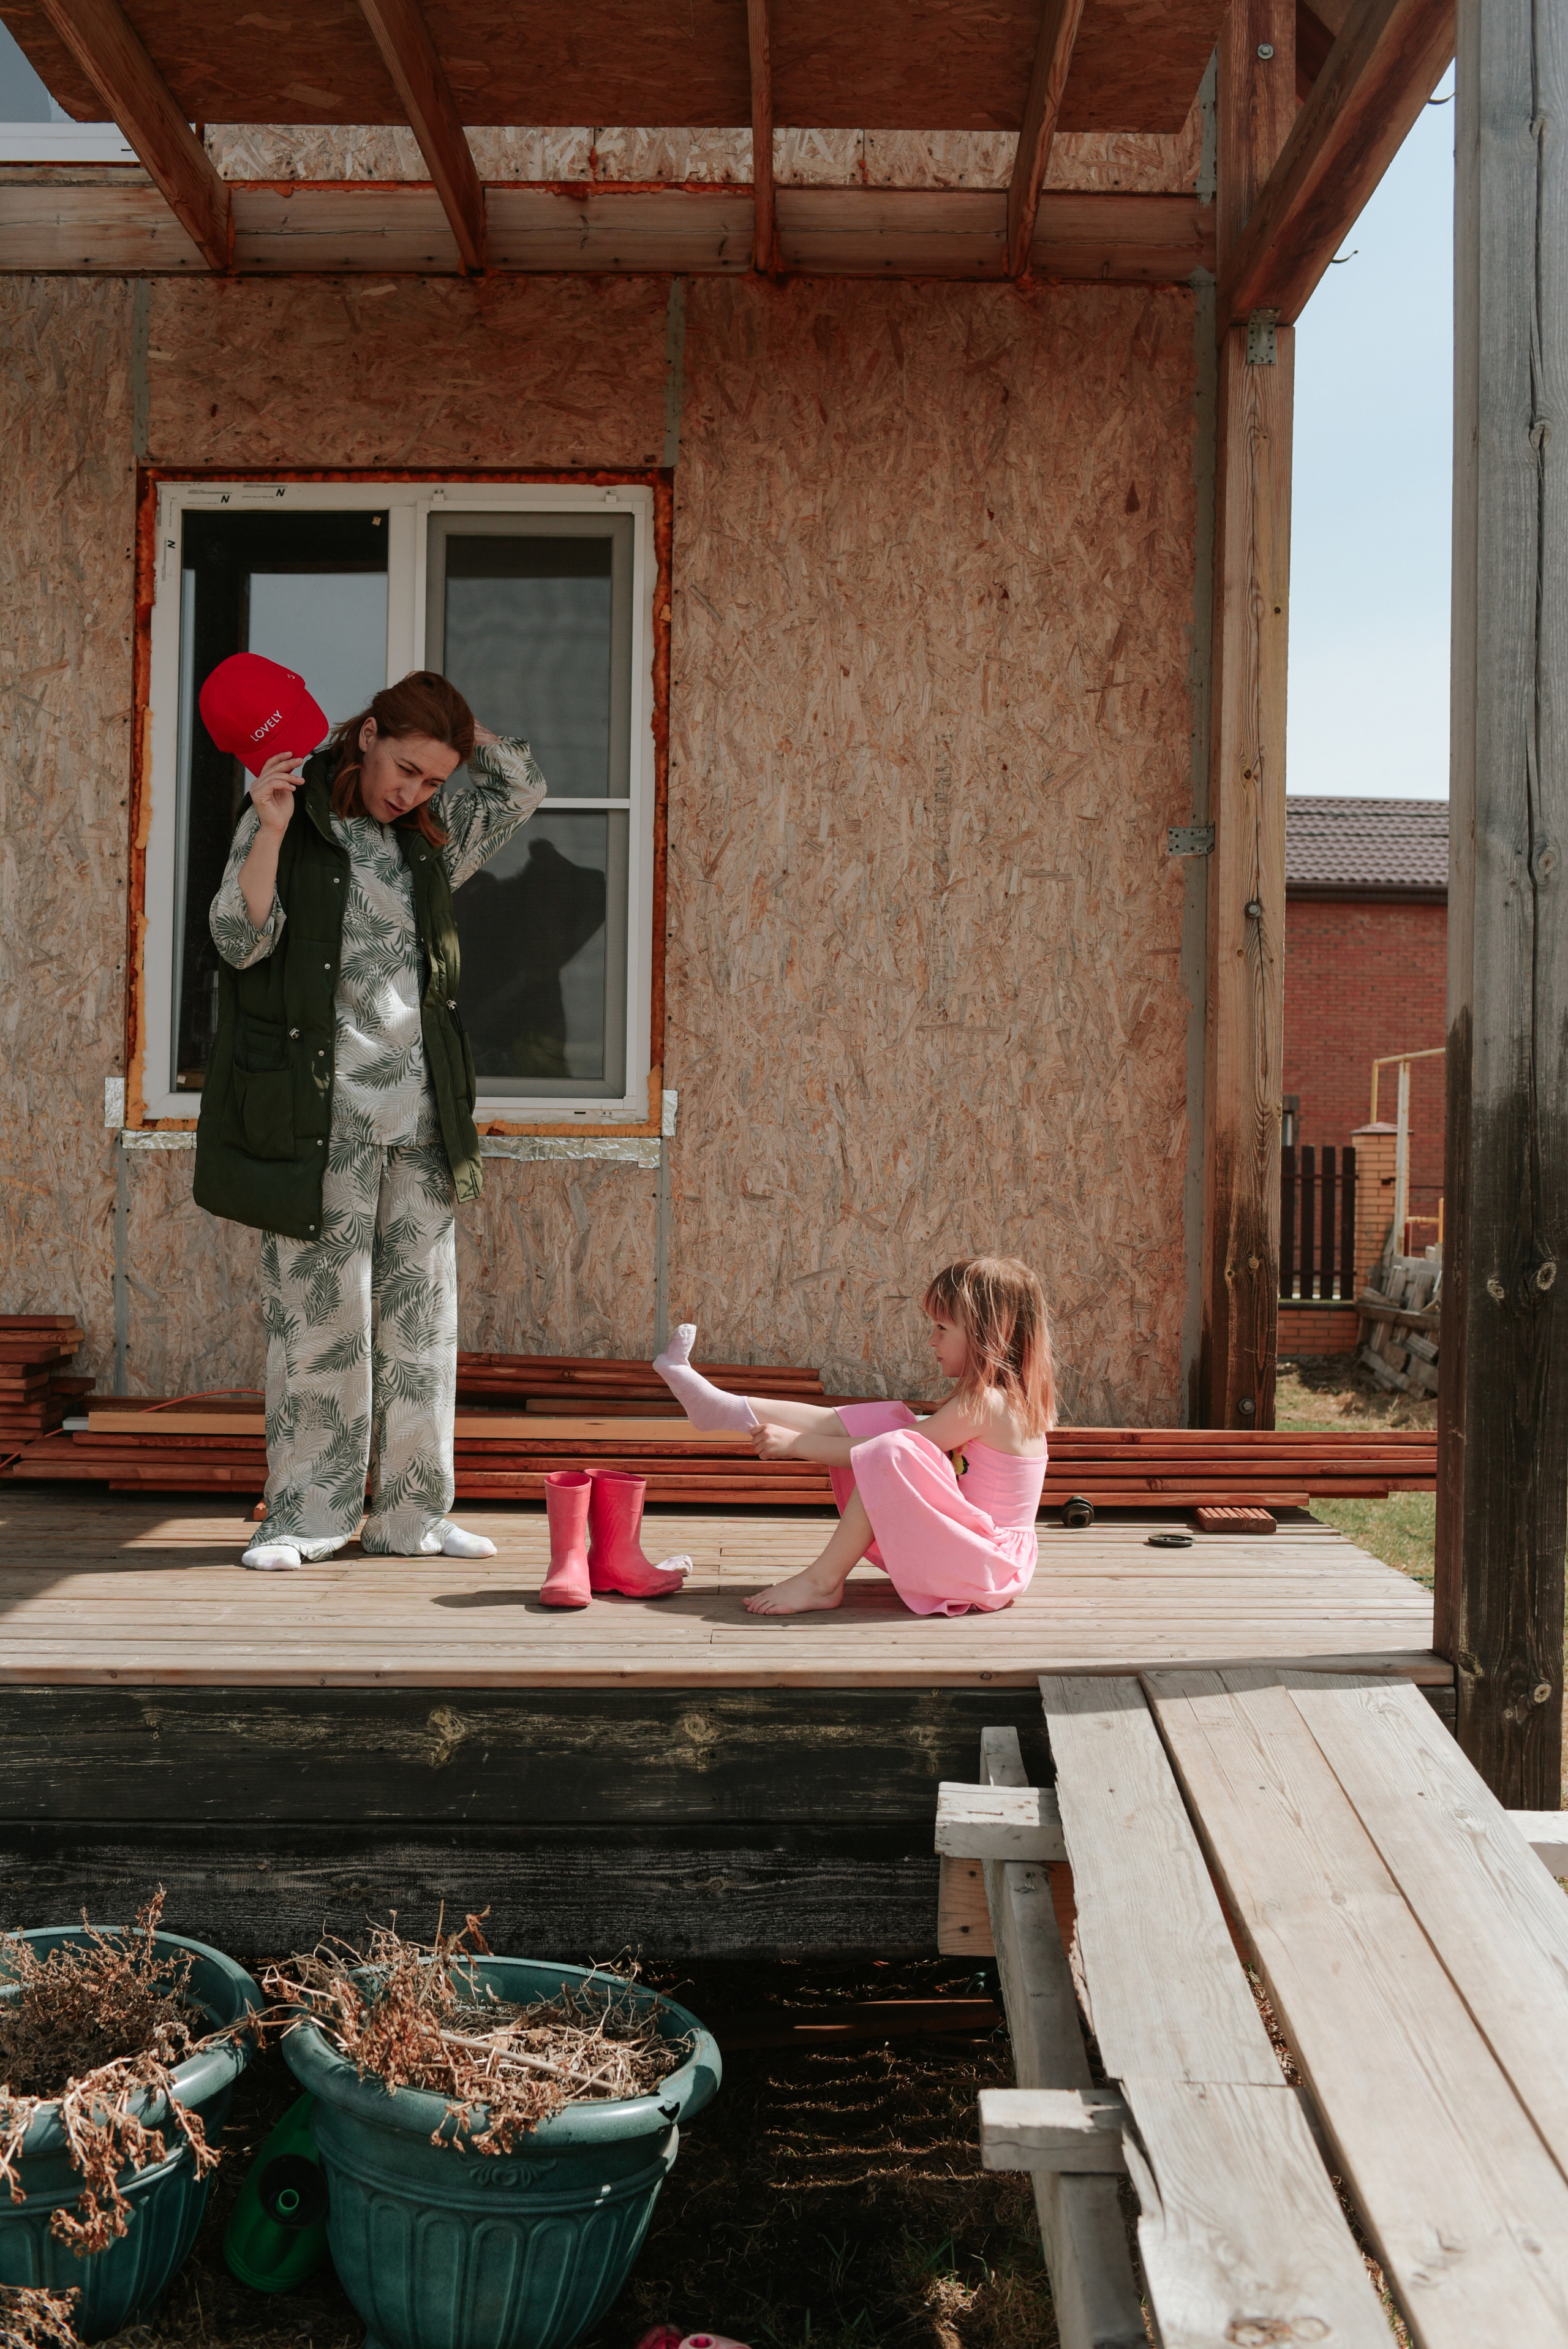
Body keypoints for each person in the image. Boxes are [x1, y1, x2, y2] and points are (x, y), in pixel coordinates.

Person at [193, 669, 545, 1570]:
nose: (415, 791)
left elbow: (520, 788)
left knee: (420, 1330)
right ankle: (308, 1516)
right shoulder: (293, 815)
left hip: (422, 1122)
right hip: (320, 1120)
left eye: (434, 779)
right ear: (369, 733)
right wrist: (269, 828)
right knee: (323, 1326)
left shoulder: (428, 840)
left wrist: (461, 727)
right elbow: (239, 938)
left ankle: (411, 1518)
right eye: (406, 767)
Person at [652, 1257, 1052, 1616]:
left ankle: (822, 1581)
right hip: (979, 1556)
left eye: (941, 1328)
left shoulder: (987, 1403)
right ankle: (725, 1409)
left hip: (989, 1567)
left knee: (896, 1444)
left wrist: (797, 1446)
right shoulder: (994, 1399)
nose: (931, 1340)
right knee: (889, 1422)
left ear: (987, 1335)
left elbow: (891, 1455)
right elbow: (892, 1445)